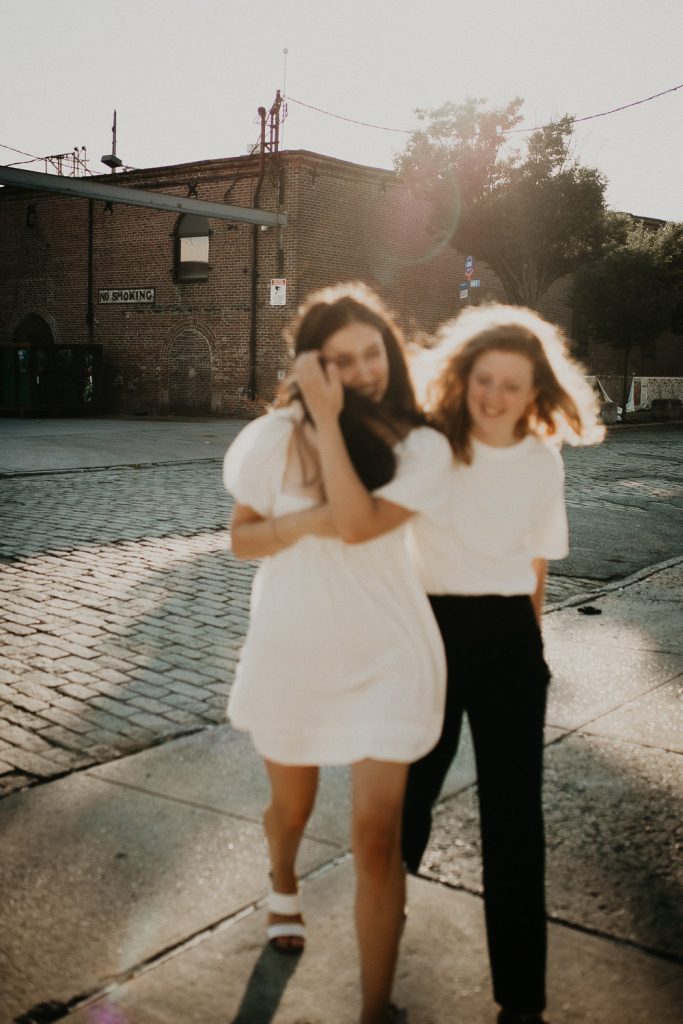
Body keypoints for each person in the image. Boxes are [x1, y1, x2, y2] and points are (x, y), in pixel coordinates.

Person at [223, 282, 453, 1024]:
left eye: (371, 353)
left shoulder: (419, 443)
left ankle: (373, 1007)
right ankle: (282, 886)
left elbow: (356, 527)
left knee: (377, 838)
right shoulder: (270, 438)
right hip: (293, 649)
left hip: (388, 654)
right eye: (341, 360)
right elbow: (241, 538)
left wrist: (324, 423)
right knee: (291, 810)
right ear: (312, 364)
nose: (363, 371)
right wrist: (304, 518)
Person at [401, 303, 604, 1024]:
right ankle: (382, 914)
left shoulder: (540, 460)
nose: (493, 395)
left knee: (513, 822)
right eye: (483, 379)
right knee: (406, 799)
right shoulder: (429, 446)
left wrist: (533, 648)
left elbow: (535, 565)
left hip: (508, 642)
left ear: (534, 392)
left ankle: (521, 1000)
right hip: (430, 634)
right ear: (462, 377)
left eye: (510, 385)